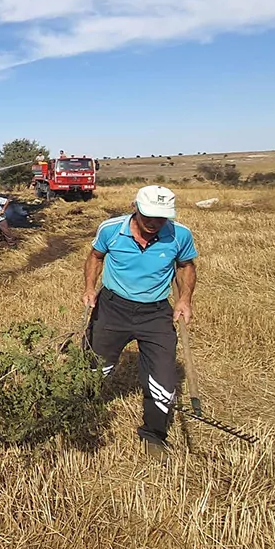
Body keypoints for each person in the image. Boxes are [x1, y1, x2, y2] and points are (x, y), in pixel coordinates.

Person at [82, 185, 197, 459]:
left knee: (163, 380)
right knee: (94, 369)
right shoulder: (110, 229)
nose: (155, 224)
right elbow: (96, 257)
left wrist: (184, 300)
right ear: (136, 207)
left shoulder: (179, 235)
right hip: (112, 308)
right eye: (150, 217)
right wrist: (89, 287)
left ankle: (154, 436)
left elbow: (186, 266)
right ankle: (81, 415)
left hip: (155, 312)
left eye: (162, 218)